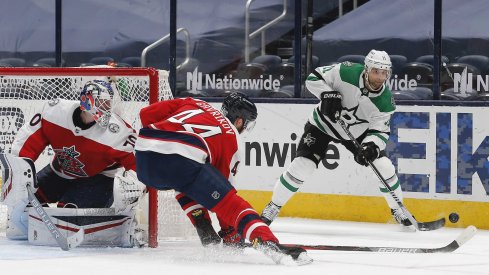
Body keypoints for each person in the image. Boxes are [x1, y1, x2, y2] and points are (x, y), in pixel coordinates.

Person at [134, 92, 311, 265]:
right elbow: (223, 200)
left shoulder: (196, 102)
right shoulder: (232, 137)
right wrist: (230, 234)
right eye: (247, 124)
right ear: (239, 120)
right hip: (182, 160)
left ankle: (202, 225)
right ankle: (269, 243)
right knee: (231, 203)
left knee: (185, 178)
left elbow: (145, 114)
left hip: (143, 158)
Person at [261, 50, 411, 228]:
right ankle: (273, 206)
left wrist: (371, 146)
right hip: (323, 125)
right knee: (303, 165)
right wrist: (326, 94)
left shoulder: (385, 102)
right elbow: (313, 78)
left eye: (384, 72)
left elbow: (380, 131)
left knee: (383, 166)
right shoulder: (346, 72)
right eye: (375, 71)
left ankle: (398, 209)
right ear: (366, 69)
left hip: (357, 132)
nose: (379, 77)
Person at [3, 79, 143, 245]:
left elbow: (140, 165)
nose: (106, 109)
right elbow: (27, 142)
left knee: (68, 214)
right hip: (60, 171)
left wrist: (135, 184)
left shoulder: (118, 132)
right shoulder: (54, 112)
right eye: (102, 103)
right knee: (21, 201)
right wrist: (20, 169)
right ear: (85, 101)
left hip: (98, 179)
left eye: (108, 104)